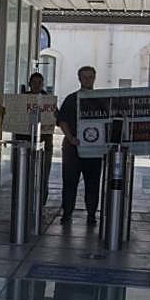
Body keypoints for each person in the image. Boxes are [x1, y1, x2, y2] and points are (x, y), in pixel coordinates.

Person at [56, 65, 102, 225]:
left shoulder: (101, 99)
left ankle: (91, 215)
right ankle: (67, 213)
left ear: (95, 78)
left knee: (93, 184)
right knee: (69, 183)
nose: (88, 80)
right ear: (79, 79)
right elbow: (62, 120)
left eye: (90, 77)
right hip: (72, 148)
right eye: (85, 77)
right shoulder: (71, 99)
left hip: (94, 150)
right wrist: (70, 138)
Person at [19, 71, 54, 206]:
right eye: (34, 83)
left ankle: (41, 204)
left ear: (43, 84)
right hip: (25, 143)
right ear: (29, 84)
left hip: (45, 144)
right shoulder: (22, 99)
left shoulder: (48, 100)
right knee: (25, 174)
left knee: (43, 176)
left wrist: (55, 115)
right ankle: (25, 201)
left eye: (39, 83)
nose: (37, 85)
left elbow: (55, 119)